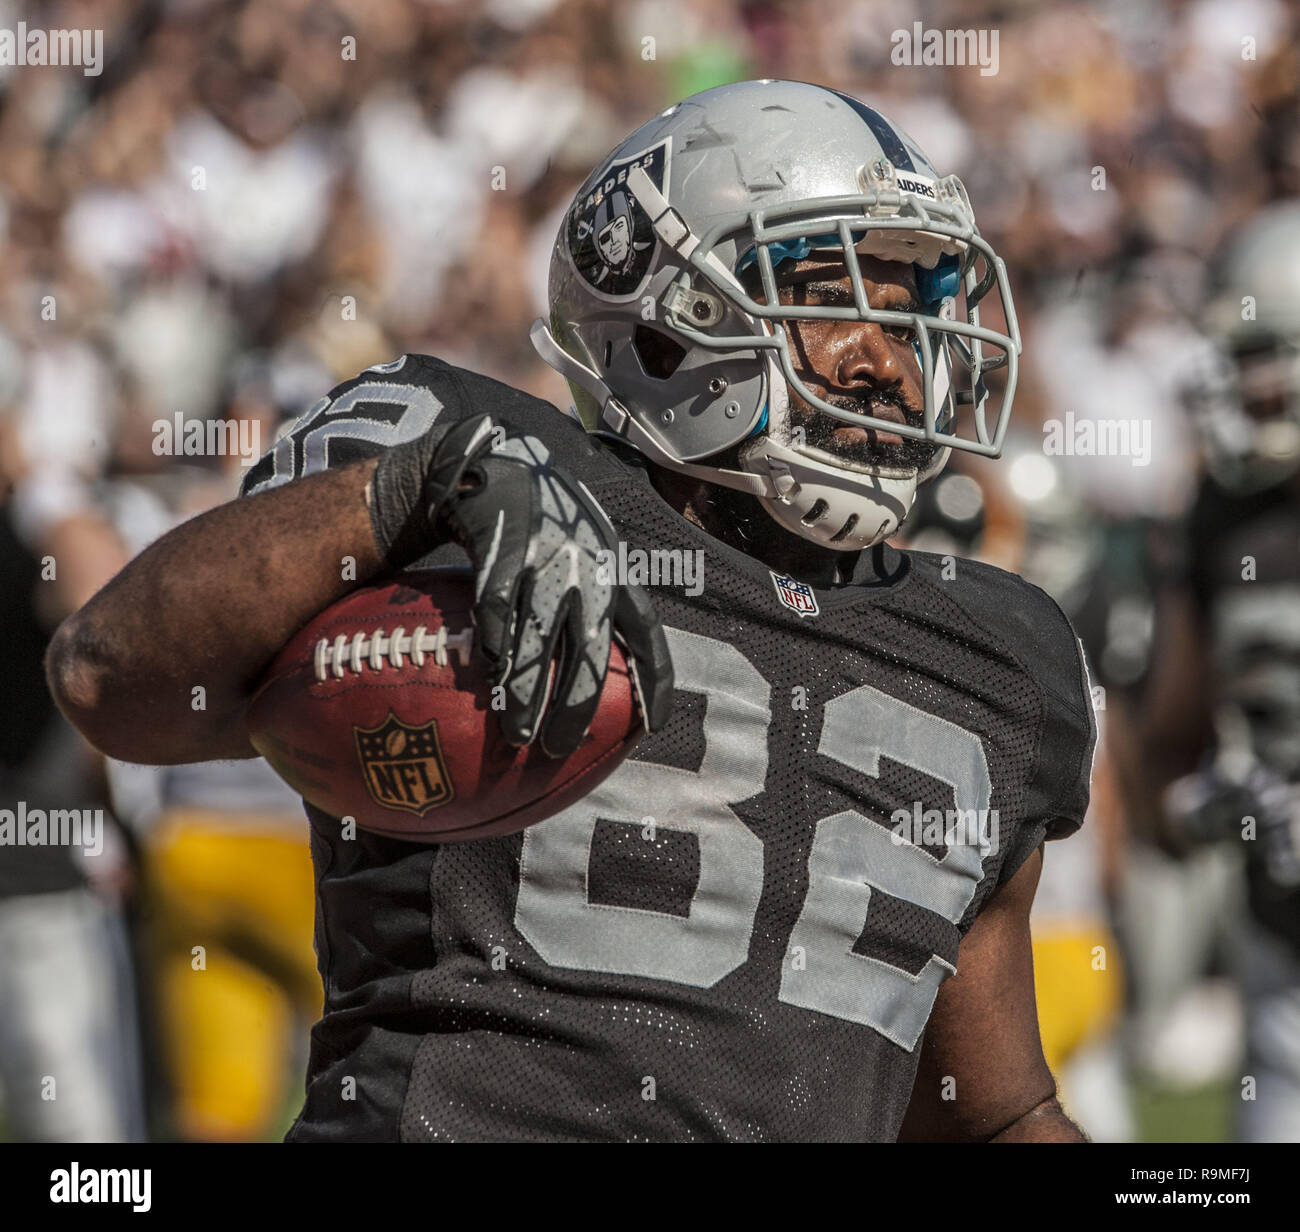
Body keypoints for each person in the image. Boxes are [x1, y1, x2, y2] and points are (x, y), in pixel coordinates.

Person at [46, 80, 1095, 1142]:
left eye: (913, 309)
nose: (888, 361)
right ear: (673, 314)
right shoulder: (485, 474)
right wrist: (405, 489)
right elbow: (107, 677)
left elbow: (997, 1112)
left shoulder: (998, 653)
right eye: (829, 294)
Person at [1135, 201, 1300, 1142]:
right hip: (1284, 968)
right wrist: (1213, 807)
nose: (1249, 388)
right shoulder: (1222, 520)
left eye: (1268, 356)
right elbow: (1164, 759)